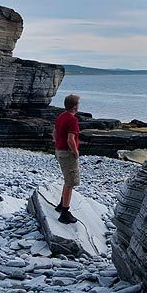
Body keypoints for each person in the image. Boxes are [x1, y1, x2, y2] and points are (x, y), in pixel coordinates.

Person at [53, 94, 82, 224]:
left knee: (67, 179)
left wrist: (57, 143)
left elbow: (54, 132)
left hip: (59, 151)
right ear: (75, 106)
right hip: (67, 154)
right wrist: (75, 152)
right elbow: (71, 139)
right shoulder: (72, 120)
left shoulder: (61, 116)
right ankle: (64, 213)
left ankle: (61, 204)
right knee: (70, 183)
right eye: (78, 103)